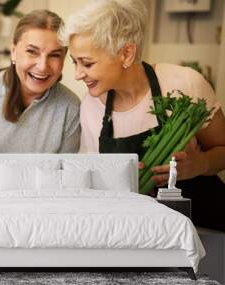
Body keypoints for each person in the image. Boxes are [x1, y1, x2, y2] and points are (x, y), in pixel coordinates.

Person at [59, 0, 225, 231]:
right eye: (74, 62)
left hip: (204, 227)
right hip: (138, 232)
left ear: (127, 53)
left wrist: (201, 163)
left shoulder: (184, 83)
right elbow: (93, 182)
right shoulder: (91, 107)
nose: (77, 74)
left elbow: (223, 149)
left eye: (87, 63)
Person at [0, 10, 81, 198]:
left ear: (63, 59)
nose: (42, 66)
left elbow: (63, 176)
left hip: (41, 203)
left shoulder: (71, 107)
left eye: (54, 55)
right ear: (13, 51)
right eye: (32, 52)